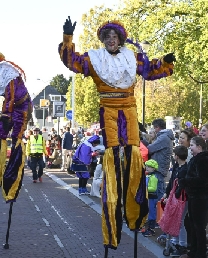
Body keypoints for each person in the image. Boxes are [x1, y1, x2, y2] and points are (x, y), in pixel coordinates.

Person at [59, 17, 176, 249]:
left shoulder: (131, 58)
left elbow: (151, 69)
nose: (111, 40)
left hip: (129, 109)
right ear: (103, 40)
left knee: (133, 154)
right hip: (108, 110)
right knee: (112, 157)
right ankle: (112, 221)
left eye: (115, 37)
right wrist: (68, 38)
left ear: (120, 39)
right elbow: (71, 60)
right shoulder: (94, 59)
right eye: (107, 37)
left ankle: (135, 215)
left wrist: (164, 61)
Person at [0, 52, 32, 201]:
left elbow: (10, 96)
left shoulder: (8, 72)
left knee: (16, 139)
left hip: (22, 108)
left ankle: (11, 186)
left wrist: (6, 114)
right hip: (11, 108)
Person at [178, 136, 208, 258]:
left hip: (200, 196)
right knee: (192, 223)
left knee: (198, 226)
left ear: (199, 147)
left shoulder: (204, 159)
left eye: (192, 146)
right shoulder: (198, 159)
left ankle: (199, 253)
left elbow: (203, 179)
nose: (190, 148)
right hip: (195, 195)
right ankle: (194, 251)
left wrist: (186, 181)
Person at [163, 145, 188, 256]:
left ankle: (182, 244)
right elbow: (172, 181)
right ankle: (175, 241)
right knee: (175, 219)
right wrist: (166, 193)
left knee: (180, 221)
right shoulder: (177, 166)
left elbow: (180, 186)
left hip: (181, 199)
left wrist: (172, 196)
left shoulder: (184, 169)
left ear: (177, 156)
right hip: (175, 197)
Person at [146, 118, 174, 200]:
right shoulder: (163, 137)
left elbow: (150, 149)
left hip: (159, 168)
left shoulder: (163, 138)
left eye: (154, 128)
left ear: (157, 127)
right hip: (160, 167)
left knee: (159, 193)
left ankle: (161, 212)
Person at [142, 159, 159, 237]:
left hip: (152, 197)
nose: (147, 168)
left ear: (154, 168)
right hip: (147, 196)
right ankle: (148, 227)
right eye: (147, 166)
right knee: (148, 211)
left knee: (151, 212)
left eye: (149, 167)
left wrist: (145, 188)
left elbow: (153, 188)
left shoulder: (154, 177)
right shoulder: (148, 175)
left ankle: (151, 229)